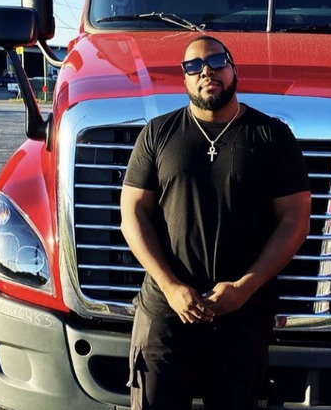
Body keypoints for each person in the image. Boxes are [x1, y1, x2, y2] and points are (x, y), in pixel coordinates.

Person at [120, 35, 312, 410]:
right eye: (193, 66)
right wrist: (171, 286)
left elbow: (296, 219)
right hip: (166, 313)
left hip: (242, 315)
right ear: (185, 79)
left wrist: (245, 286)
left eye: (216, 61)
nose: (206, 70)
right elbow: (132, 214)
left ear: (233, 69)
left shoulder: (272, 136)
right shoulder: (158, 134)